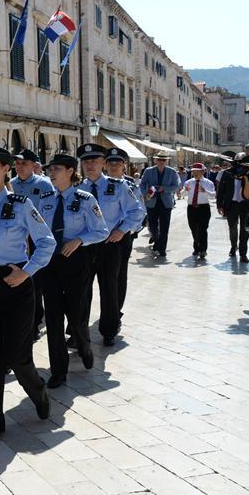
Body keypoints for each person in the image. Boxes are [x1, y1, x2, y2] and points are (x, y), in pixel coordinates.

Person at [0, 146, 54, 441]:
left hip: (15, 285)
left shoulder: (21, 204)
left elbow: (46, 242)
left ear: (6, 170)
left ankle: (39, 394)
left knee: (18, 357)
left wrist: (27, 272)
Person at [36, 154, 109, 387]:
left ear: (70, 171)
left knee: (77, 317)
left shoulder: (85, 199)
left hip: (75, 261)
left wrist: (79, 240)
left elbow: (101, 231)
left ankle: (85, 347)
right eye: (50, 169)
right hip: (50, 263)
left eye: (57, 168)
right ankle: (58, 370)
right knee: (54, 318)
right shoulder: (44, 199)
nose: (52, 173)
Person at [78, 143, 146, 347]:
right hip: (85, 246)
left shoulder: (119, 186)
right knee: (81, 290)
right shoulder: (78, 189)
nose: (90, 165)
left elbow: (137, 212)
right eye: (86, 161)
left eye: (95, 161)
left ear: (102, 164)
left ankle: (108, 329)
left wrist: (122, 230)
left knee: (109, 288)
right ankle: (78, 330)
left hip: (110, 244)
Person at [11, 149, 55, 341]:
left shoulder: (44, 184)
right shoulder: (10, 184)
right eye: (18, 163)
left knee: (36, 279)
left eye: (24, 164)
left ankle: (36, 319)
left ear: (33, 166)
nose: (20, 167)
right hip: (17, 239)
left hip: (36, 238)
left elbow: (50, 211)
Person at [105, 148, 144, 315]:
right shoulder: (94, 184)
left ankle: (115, 310)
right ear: (105, 165)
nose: (114, 166)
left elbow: (140, 211)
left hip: (121, 236)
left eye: (118, 163)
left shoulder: (130, 185)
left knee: (119, 275)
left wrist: (126, 231)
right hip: (95, 238)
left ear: (124, 165)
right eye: (111, 163)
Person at [140, 151, 181, 258]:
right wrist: (146, 193)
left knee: (164, 227)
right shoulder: (148, 171)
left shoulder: (172, 172)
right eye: (159, 160)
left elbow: (176, 186)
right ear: (156, 160)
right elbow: (142, 184)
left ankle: (162, 249)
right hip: (151, 202)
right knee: (152, 226)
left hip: (165, 203)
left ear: (167, 161)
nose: (161, 162)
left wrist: (165, 189)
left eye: (164, 160)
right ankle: (157, 242)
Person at [218, 153, 249, 262]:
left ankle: (243, 254)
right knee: (232, 228)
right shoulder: (227, 173)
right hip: (231, 204)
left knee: (245, 230)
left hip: (245, 205)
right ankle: (233, 247)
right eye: (238, 161)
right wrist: (219, 205)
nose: (240, 164)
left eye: (242, 161)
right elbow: (221, 190)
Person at [184, 163, 217, 259]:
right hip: (191, 208)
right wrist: (184, 190)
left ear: (202, 171)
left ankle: (203, 250)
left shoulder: (208, 183)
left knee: (203, 229)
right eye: (193, 171)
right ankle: (196, 247)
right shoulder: (189, 182)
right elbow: (184, 194)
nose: (194, 173)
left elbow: (213, 195)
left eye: (196, 171)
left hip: (204, 208)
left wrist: (205, 191)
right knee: (194, 229)